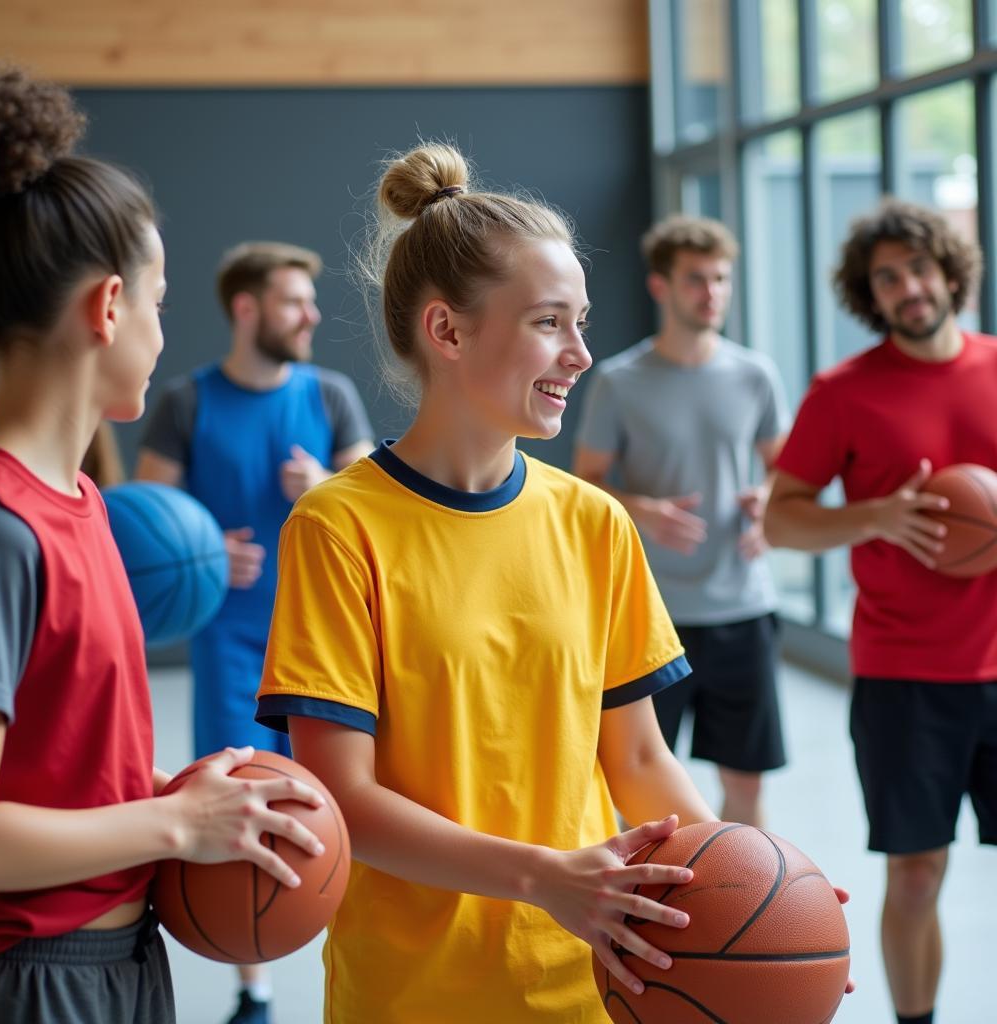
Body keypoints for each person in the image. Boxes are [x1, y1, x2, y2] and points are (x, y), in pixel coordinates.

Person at [255, 141, 720, 1024]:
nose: (581, 353)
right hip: (411, 997)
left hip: (591, 980)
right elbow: (344, 796)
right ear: (449, 331)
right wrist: (546, 879)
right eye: (551, 321)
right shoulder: (336, 526)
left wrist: (752, 891)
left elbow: (641, 759)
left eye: (581, 321)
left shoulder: (595, 523)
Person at [0, 63, 325, 1024]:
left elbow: (61, 771)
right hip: (34, 978)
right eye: (161, 305)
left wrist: (175, 790)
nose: (165, 335)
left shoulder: (86, 500)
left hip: (123, 959)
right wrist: (175, 821)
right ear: (110, 306)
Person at [764, 197, 995, 1024]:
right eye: (887, 278)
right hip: (905, 674)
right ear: (872, 295)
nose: (908, 288)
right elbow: (779, 518)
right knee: (916, 873)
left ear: (949, 271)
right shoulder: (844, 393)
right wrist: (875, 516)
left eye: (919, 269)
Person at [135, 240, 373, 1024]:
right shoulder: (185, 401)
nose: (311, 315)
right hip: (228, 636)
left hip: (322, 639)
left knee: (342, 802)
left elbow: (382, 517)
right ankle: (254, 987)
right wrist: (202, 549)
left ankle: (355, 949)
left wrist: (330, 489)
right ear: (247, 309)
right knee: (242, 805)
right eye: (294, 301)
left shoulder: (331, 395)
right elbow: (144, 519)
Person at [574, 214, 790, 827]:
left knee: (745, 788)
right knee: (637, 789)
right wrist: (643, 510)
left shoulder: (755, 374)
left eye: (721, 278)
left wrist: (765, 500)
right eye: (697, 279)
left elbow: (784, 471)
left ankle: (748, 906)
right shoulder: (619, 380)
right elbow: (585, 485)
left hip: (743, 608)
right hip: (650, 615)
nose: (712, 292)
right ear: (661, 286)